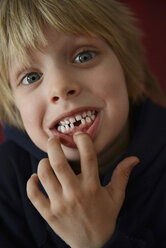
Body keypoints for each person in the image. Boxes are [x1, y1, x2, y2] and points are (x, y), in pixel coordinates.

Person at [0, 0, 166, 247]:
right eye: (31, 77)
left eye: (84, 56)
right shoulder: (6, 181)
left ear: (127, 67)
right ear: (14, 109)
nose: (60, 87)